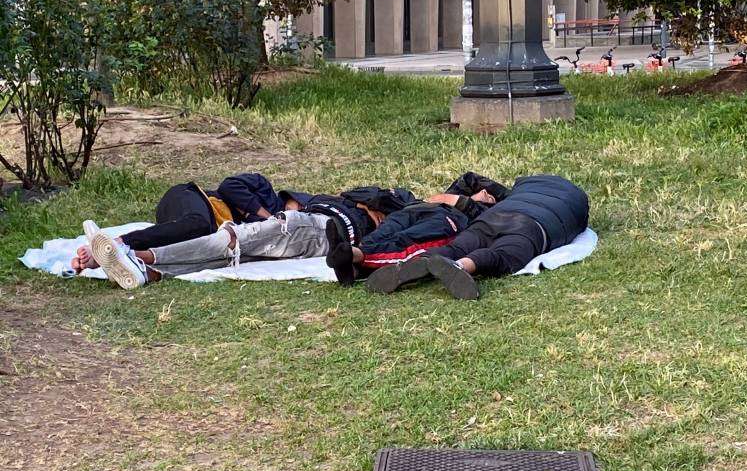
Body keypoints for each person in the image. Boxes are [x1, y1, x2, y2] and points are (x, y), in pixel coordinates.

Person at [87, 185, 417, 289]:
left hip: (308, 230)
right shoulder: (342, 204)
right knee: (229, 253)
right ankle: (147, 271)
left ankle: (139, 258)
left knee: (229, 243)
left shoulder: (360, 220)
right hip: (304, 230)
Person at [364, 174, 589, 300]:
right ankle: (462, 266)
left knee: (460, 245)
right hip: (533, 226)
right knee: (500, 255)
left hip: (495, 215)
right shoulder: (577, 200)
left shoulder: (523, 190)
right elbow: (577, 224)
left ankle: (420, 262)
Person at [71, 173, 285, 272]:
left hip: (196, 225)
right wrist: (266, 216)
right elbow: (230, 186)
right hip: (188, 197)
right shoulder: (265, 191)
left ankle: (110, 258)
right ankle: (116, 242)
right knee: (197, 224)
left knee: (196, 242)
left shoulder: (274, 232)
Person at [325, 181, 501, 286]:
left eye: (491, 197)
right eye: (484, 191)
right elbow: (469, 178)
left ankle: (353, 256)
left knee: (407, 241)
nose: (486, 193)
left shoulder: (484, 212)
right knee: (385, 231)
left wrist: (462, 201)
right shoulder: (450, 192)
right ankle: (349, 260)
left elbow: (491, 216)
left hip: (447, 220)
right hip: (414, 209)